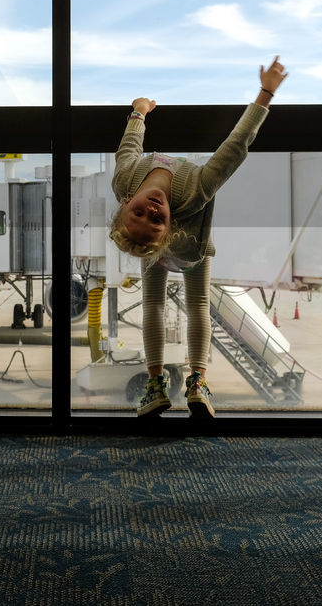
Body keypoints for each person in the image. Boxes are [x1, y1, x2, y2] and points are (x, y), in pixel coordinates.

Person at [110, 56, 288, 418]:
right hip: (193, 250)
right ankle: (198, 381)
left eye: (140, 213)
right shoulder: (196, 188)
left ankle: (156, 384)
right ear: (165, 231)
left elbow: (128, 150)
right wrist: (265, 92)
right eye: (154, 220)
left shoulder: (125, 180)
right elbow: (235, 146)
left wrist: (139, 113)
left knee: (154, 306)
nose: (152, 210)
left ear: (126, 202)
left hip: (170, 251)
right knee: (197, 307)